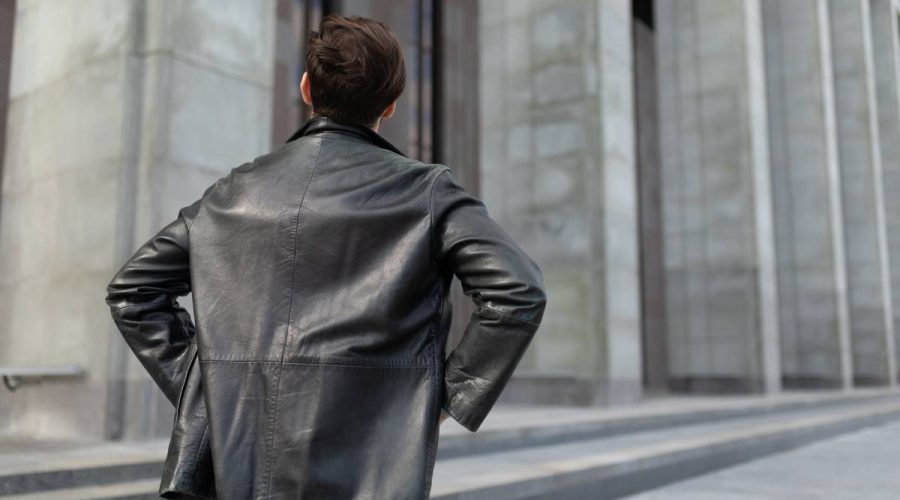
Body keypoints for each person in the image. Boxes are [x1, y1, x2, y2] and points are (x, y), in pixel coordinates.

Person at [104, 13, 546, 500]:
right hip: (371, 467)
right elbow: (517, 291)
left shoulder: (231, 193)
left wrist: (214, 383)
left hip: (241, 469)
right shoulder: (427, 191)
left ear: (306, 89)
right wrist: (445, 397)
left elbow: (132, 292)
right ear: (391, 105)